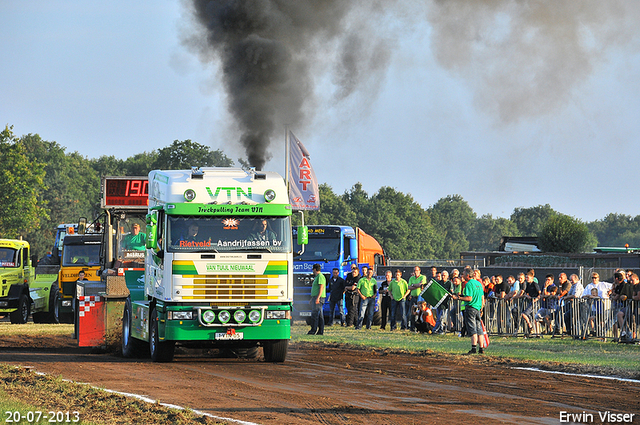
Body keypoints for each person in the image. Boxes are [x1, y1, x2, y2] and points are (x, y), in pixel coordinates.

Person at [452, 267, 485, 354]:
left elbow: (469, 298)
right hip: (478, 308)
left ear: (467, 275)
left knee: (472, 329)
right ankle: (481, 349)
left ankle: (473, 348)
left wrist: (458, 297)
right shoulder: (478, 284)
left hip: (471, 308)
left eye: (463, 274)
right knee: (479, 329)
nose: (462, 276)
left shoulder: (468, 284)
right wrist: (482, 308)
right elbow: (482, 297)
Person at [407, 266, 427, 332]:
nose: (415, 272)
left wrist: (413, 285)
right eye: (414, 270)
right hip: (413, 297)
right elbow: (408, 287)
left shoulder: (423, 277)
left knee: (421, 313)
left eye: (417, 270)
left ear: (419, 271)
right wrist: (416, 285)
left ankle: (421, 328)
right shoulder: (411, 278)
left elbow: (422, 285)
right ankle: (412, 327)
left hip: (421, 298)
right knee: (412, 313)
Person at [308, 264, 326, 335]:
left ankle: (313, 330)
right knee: (320, 315)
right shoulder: (317, 277)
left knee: (315, 315)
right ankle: (320, 331)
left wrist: (318, 298)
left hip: (319, 298)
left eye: (313, 269)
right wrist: (312, 298)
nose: (312, 271)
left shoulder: (320, 276)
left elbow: (321, 287)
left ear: (315, 269)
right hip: (316, 297)